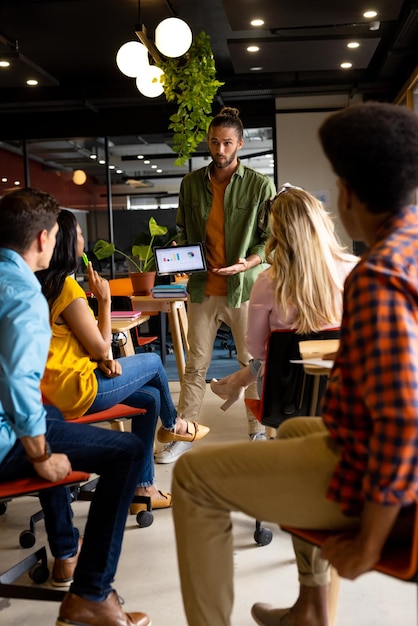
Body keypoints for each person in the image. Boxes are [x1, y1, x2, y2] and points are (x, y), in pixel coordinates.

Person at [171, 101, 418, 626]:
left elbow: (404, 420)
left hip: (369, 470)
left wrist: (371, 541)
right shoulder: (408, 251)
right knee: (295, 429)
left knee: (193, 475)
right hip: (350, 435)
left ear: (348, 195)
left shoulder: (374, 277)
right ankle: (309, 606)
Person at [0, 187, 150, 626]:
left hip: (25, 414)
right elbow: (16, 382)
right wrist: (41, 455)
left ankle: (66, 550)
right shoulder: (23, 292)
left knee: (45, 417)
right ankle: (91, 594)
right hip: (5, 433)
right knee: (127, 453)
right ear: (45, 239)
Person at [37, 209, 209, 513]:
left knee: (151, 396)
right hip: (76, 390)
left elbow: (77, 346)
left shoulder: (44, 286)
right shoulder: (67, 288)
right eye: (78, 234)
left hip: (53, 388)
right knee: (154, 362)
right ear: (65, 243)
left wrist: (102, 359)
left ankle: (144, 490)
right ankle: (174, 425)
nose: (83, 238)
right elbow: (103, 347)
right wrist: (103, 301)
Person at [156, 106, 276, 464]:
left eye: (226, 143)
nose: (219, 150)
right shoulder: (191, 183)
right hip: (202, 288)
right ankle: (185, 432)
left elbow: (268, 240)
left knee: (251, 362)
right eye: (214, 142)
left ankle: (256, 430)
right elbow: (182, 229)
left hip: (244, 289)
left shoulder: (259, 185)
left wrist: (247, 262)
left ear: (239, 143)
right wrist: (180, 249)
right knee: (194, 365)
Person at [210, 184, 358, 410]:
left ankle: (237, 382)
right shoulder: (355, 270)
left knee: (267, 357)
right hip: (346, 388)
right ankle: (237, 382)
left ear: (277, 232)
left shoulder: (268, 280)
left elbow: (259, 350)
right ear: (321, 222)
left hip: (287, 393)